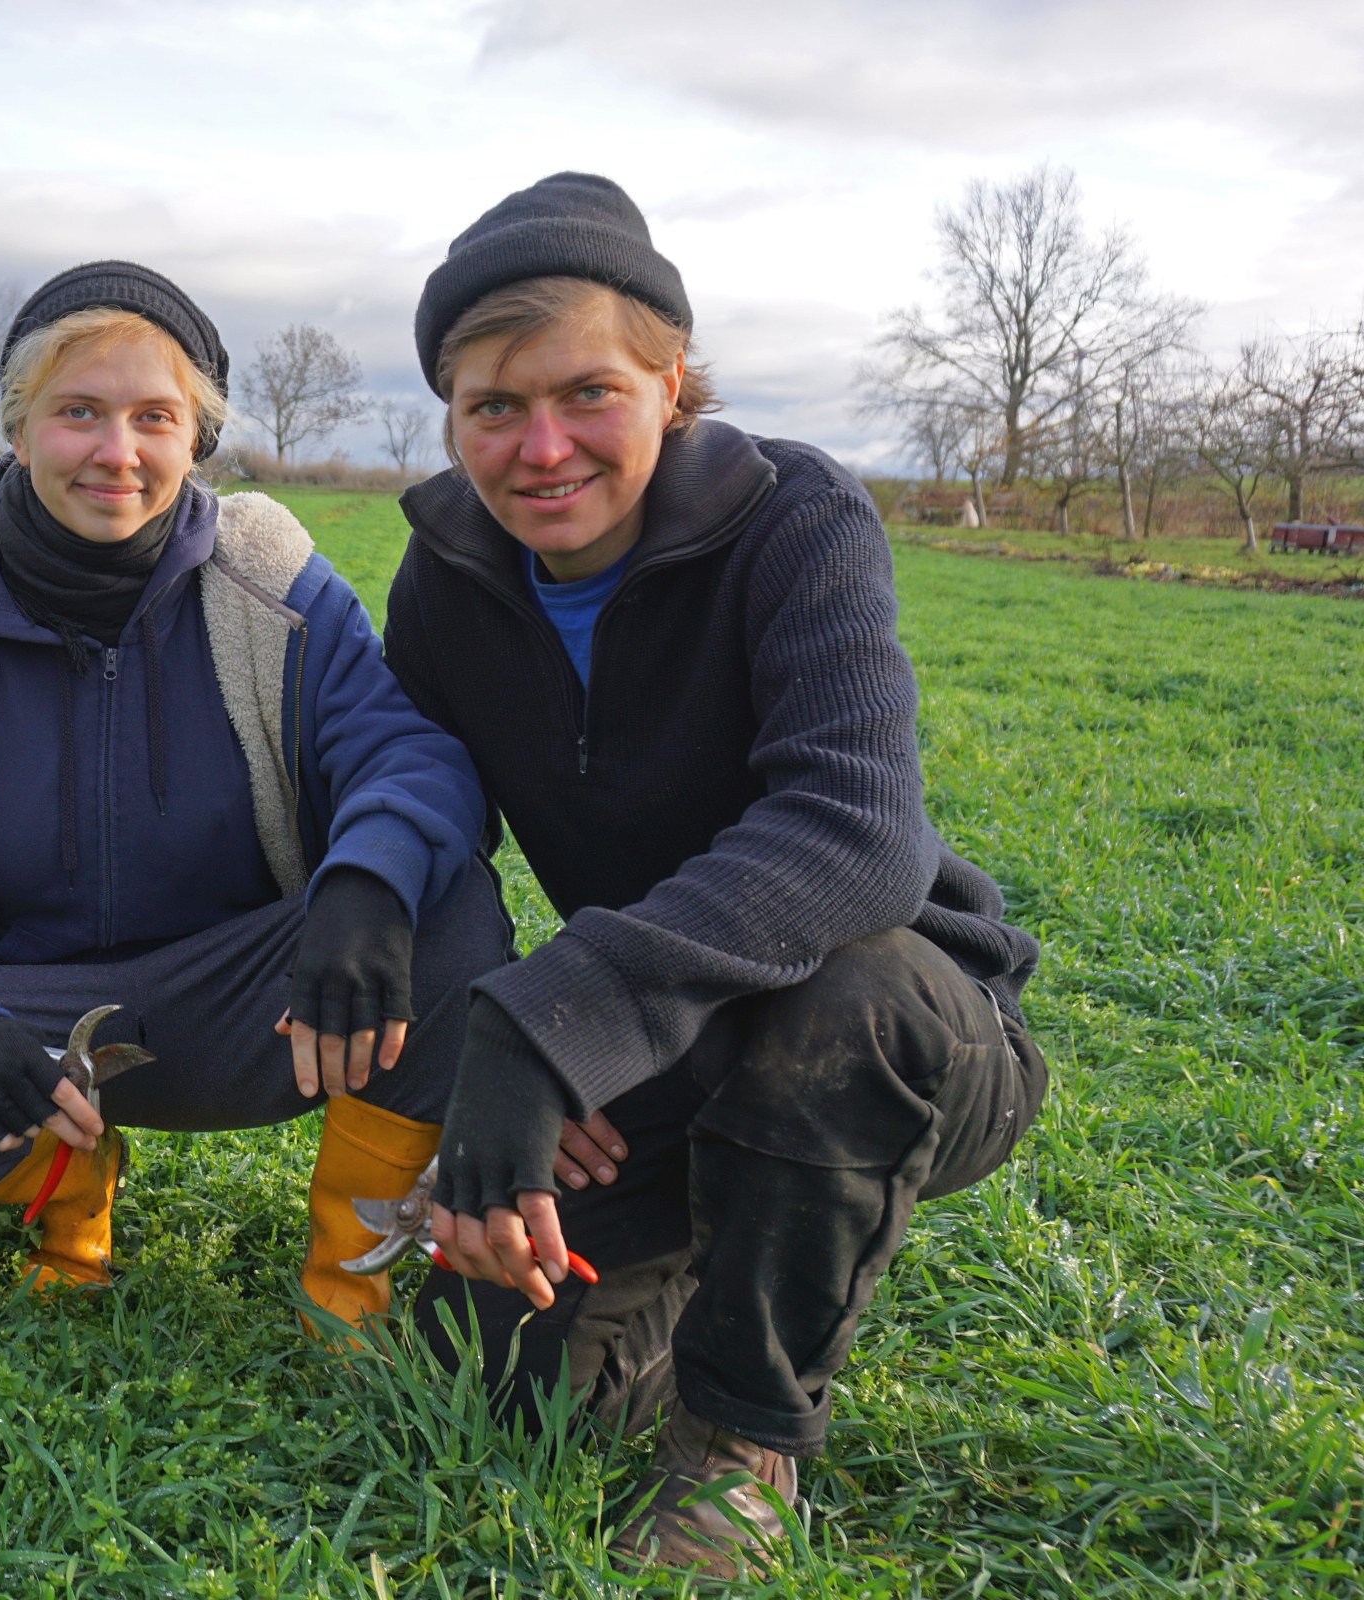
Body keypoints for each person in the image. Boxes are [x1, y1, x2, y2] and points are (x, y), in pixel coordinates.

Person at [381, 175, 1048, 1577]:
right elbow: (432, 816)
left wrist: (557, 1016)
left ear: (671, 381)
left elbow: (857, 835)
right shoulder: (446, 575)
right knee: (478, 1373)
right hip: (668, 1054)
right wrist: (488, 1043)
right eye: (492, 407)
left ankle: (746, 1437)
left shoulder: (794, 516)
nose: (540, 446)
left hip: (900, 1026)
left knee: (842, 999)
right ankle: (728, 1237)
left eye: (588, 393)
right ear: (448, 412)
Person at [0, 261, 511, 1332]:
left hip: (258, 995)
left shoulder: (273, 579)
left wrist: (365, 888)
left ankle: (350, 1276)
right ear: (17, 430)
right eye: (78, 413)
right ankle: (65, 1183)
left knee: (451, 915)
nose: (118, 452)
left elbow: (405, 753)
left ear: (194, 440)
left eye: (155, 417)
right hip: (30, 1015)